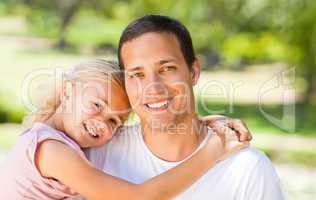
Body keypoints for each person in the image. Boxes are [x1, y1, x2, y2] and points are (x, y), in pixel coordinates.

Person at [75, 15, 284, 200]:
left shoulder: (247, 168)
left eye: (166, 68)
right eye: (137, 74)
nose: (153, 88)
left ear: (193, 71)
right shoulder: (98, 155)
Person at [0, 59, 250, 200]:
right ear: (68, 91)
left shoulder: (65, 137)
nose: (103, 122)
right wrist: (212, 152)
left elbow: (155, 130)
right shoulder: (51, 150)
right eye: (97, 104)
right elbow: (137, 197)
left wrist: (207, 124)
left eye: (114, 121)